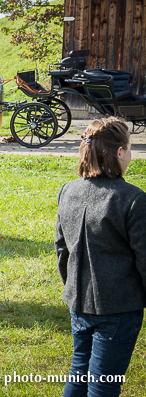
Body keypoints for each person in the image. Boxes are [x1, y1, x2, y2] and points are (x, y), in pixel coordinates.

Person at [54, 117, 146, 397]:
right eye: (130, 148)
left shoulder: (68, 190)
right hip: (118, 308)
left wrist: (72, 287)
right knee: (103, 385)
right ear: (119, 152)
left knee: (79, 372)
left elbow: (62, 249)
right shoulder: (132, 199)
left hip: (78, 302)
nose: (131, 154)